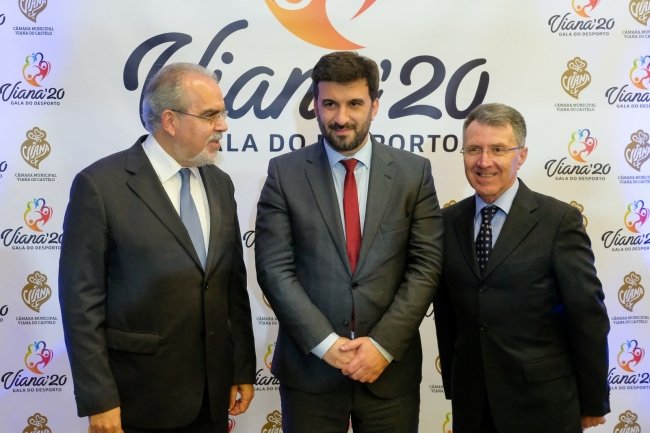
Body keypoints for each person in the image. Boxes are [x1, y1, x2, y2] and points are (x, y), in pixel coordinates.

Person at [58, 62, 256, 433]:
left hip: (212, 399)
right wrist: (99, 398)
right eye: (211, 115)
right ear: (170, 121)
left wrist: (242, 367)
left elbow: (232, 285)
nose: (223, 126)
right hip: (138, 400)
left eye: (223, 114)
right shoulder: (101, 187)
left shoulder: (220, 184)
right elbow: (81, 304)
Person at [254, 51, 443, 433]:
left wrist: (382, 346)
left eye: (354, 103)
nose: (341, 118)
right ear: (315, 104)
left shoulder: (413, 173)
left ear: (375, 105)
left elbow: (426, 266)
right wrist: (326, 344)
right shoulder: (284, 173)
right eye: (330, 104)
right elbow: (274, 268)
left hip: (389, 372)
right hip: (311, 372)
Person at [433, 103, 610, 433]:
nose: (484, 161)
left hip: (544, 405)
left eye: (498, 149)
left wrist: (592, 400)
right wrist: (455, 384)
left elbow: (587, 314)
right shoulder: (446, 222)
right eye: (474, 149)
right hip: (472, 405)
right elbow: (446, 314)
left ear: (522, 155)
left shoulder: (558, 221)